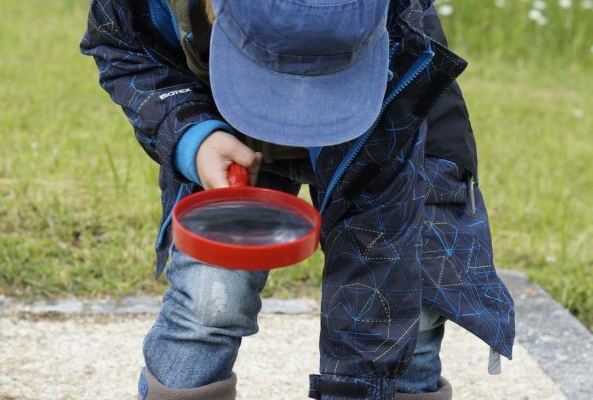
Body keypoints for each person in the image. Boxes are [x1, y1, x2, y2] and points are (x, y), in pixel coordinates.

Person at [80, 0, 516, 399]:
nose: (300, 107)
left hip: (381, 118)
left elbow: (378, 274)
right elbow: (120, 45)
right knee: (212, 299)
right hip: (228, 130)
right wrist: (194, 136)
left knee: (409, 313)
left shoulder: (398, 32)